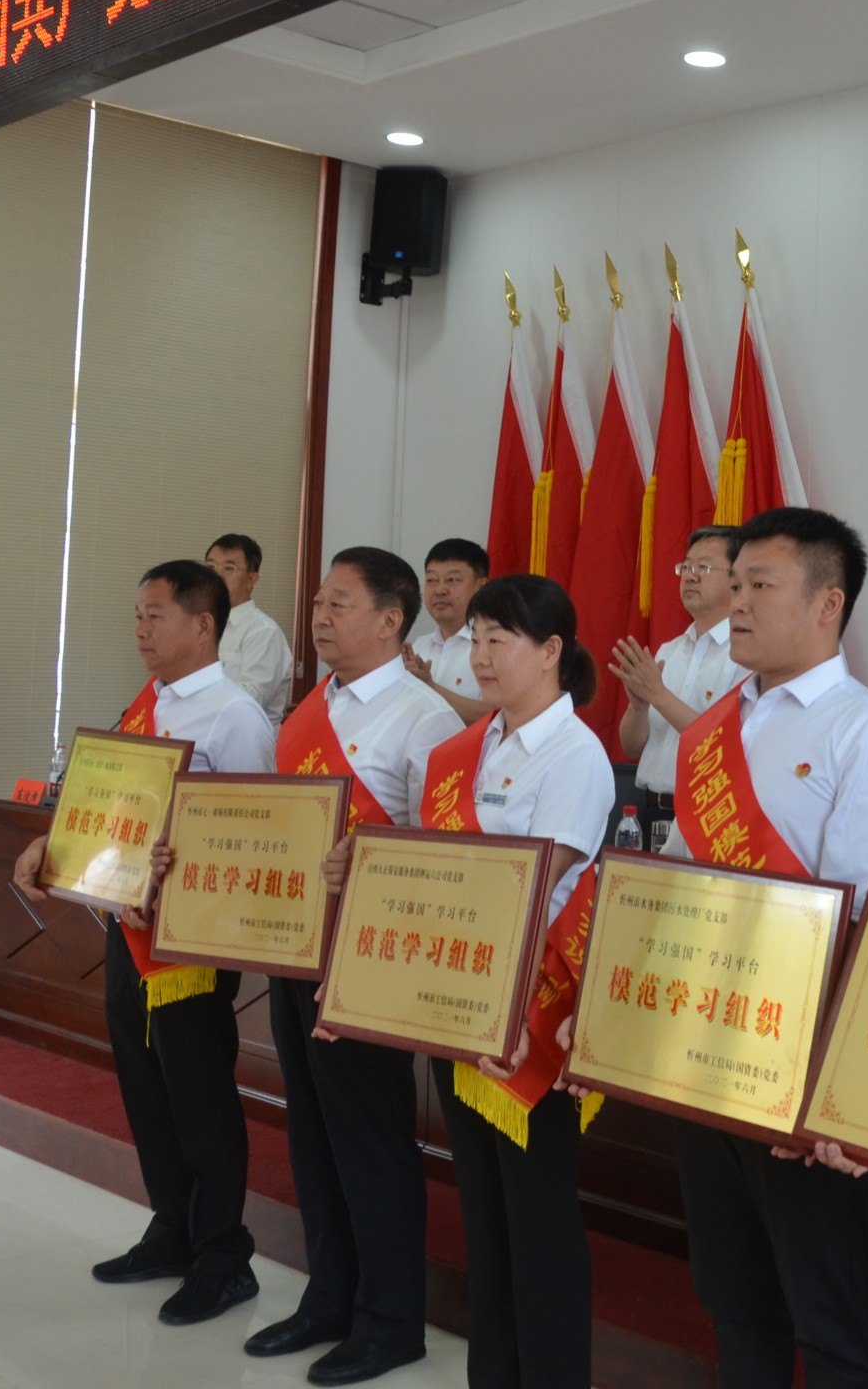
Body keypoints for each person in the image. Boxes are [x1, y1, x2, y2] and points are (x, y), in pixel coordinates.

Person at [666, 506, 868, 1389]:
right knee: (734, 1292)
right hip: (702, 1043)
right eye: (734, 583)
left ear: (827, 603)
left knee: (824, 1302)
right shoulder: (713, 728)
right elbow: (675, 884)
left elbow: (866, 913)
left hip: (797, 1063)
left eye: (759, 585)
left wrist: (825, 1080)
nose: (734, 603)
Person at [10, 560, 274, 1327]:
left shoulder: (235, 718)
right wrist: (50, 845)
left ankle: (224, 1254)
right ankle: (171, 1227)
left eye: (155, 615)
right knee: (147, 1091)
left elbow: (256, 839)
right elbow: (104, 804)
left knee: (199, 1096)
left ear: (203, 624)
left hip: (189, 947)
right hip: (127, 933)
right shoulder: (145, 704)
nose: (140, 630)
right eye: (137, 615)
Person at [249, 547, 460, 1386]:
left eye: (339, 603)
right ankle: (328, 1297)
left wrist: (368, 857)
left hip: (369, 962)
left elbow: (441, 858)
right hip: (297, 948)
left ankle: (391, 1321)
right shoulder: (314, 707)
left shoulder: (425, 719)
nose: (321, 617)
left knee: (371, 1143)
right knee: (312, 1133)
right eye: (317, 603)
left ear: (390, 620)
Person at [422, 575, 614, 1389]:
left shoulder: (576, 755)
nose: (481, 655)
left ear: (550, 651)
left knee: (537, 1228)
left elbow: (537, 893)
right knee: (486, 1223)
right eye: (475, 638)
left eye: (499, 639)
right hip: (462, 1005)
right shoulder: (471, 748)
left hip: (532, 1019)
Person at [607, 526, 747, 832]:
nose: (690, 576)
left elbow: (720, 742)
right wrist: (639, 706)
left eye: (704, 568)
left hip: (708, 816)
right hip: (648, 809)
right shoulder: (669, 651)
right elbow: (632, 747)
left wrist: (657, 694)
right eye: (685, 567)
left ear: (737, 580)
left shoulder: (745, 656)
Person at [207, 533, 295, 722]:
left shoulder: (263, 632)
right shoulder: (201, 625)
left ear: (251, 580)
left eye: (229, 568)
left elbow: (250, 701)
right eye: (211, 567)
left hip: (242, 737)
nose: (216, 576)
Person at [404, 538, 489, 724]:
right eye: (432, 580)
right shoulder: (420, 645)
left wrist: (430, 688)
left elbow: (499, 716)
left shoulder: (495, 646)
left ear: (481, 587)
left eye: (452, 580)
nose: (440, 590)